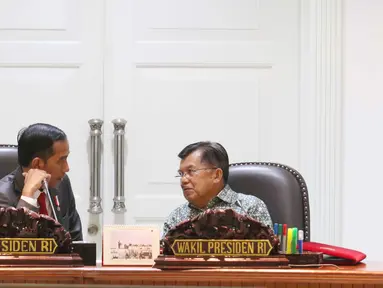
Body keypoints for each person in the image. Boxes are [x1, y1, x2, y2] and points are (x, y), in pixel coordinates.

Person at [162, 141, 273, 237]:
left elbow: (269, 256)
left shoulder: (250, 208)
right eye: (181, 174)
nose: (183, 180)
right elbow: (164, 259)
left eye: (191, 171)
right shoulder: (177, 217)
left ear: (216, 175)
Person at [0, 123, 83, 241]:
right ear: (37, 164)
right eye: (61, 160)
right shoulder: (3, 196)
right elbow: (15, 249)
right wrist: (28, 198)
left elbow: (76, 241)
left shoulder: (62, 183)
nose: (67, 168)